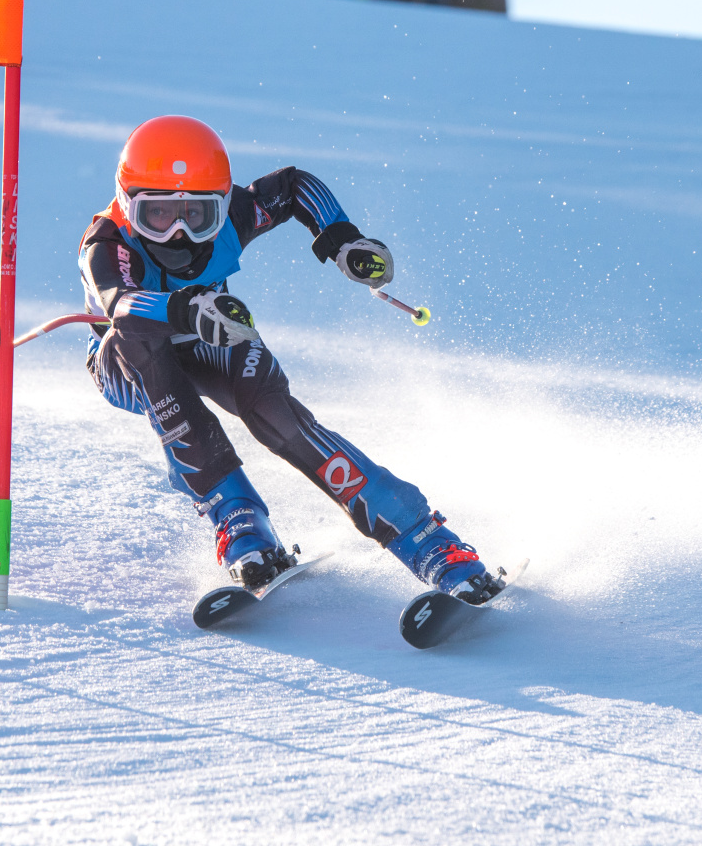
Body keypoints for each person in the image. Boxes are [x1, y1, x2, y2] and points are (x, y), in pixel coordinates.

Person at [79, 115, 501, 603]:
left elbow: (295, 187)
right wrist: (185, 309)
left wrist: (342, 238)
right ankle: (238, 518)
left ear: (222, 205)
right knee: (138, 348)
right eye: (158, 214)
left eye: (197, 215)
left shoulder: (237, 213)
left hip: (212, 333)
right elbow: (120, 304)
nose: (179, 234)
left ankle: (423, 537)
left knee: (275, 413)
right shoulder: (107, 243)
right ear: (128, 204)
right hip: (127, 365)